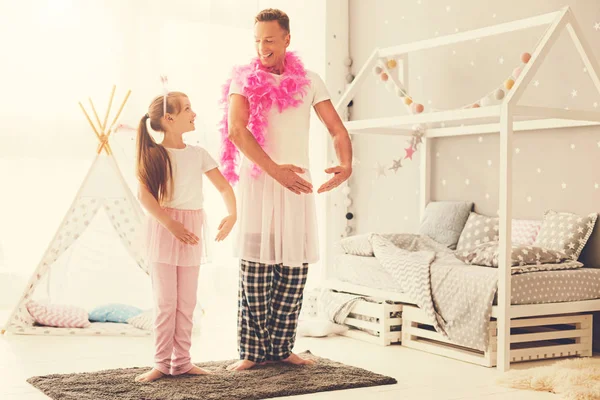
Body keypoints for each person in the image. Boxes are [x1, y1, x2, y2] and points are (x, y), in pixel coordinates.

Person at [220, 8, 352, 371]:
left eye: (270, 40)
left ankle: (281, 348)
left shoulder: (310, 80)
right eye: (258, 40)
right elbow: (237, 130)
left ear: (287, 39)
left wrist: (346, 164)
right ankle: (251, 352)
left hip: (297, 184)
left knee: (293, 272)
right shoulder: (243, 80)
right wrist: (275, 171)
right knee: (256, 271)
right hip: (262, 183)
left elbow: (337, 129)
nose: (263, 47)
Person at [135, 91, 237, 382]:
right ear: (169, 119)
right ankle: (160, 362)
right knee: (166, 302)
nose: (194, 113)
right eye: (188, 109)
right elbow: (145, 197)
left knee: (187, 301)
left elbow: (224, 188)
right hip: (165, 230)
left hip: (191, 229)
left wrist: (232, 214)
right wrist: (171, 224)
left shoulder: (198, 154)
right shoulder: (154, 155)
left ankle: (182, 362)